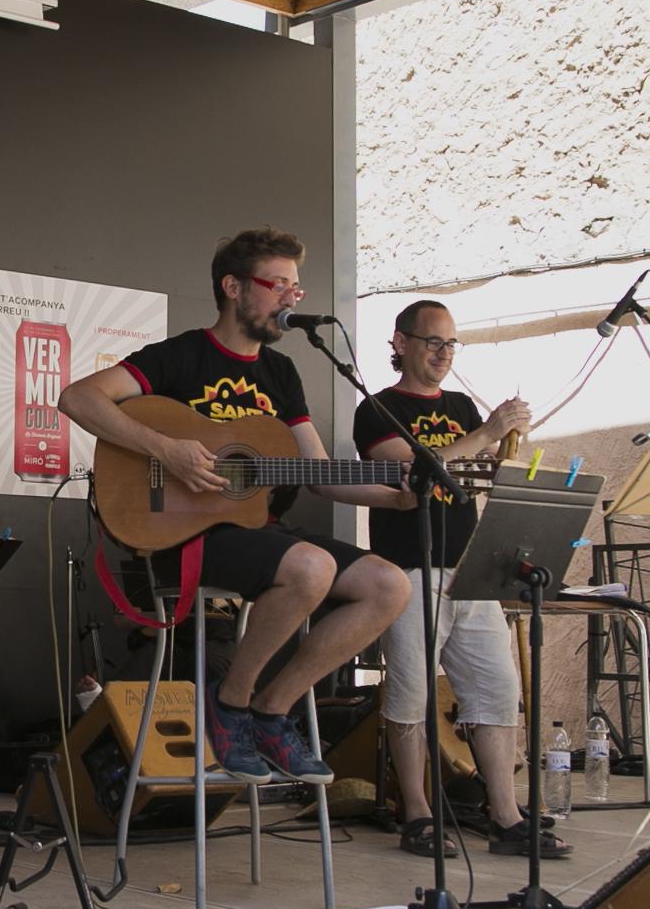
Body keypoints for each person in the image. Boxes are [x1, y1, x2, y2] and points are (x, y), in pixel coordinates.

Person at [59, 229, 411, 787]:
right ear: (233, 287)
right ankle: (232, 701)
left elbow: (318, 474)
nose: (293, 298)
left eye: (297, 287)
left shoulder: (282, 375)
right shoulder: (181, 355)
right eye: (280, 285)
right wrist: (167, 449)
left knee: (390, 586)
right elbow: (77, 397)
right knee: (309, 567)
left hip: (255, 532)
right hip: (183, 537)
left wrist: (397, 491)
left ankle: (272, 710)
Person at [356, 300, 568, 859]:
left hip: (471, 563)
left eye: (451, 344)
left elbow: (479, 473)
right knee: (411, 692)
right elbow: (412, 472)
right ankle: (417, 811)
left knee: (496, 691)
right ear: (400, 343)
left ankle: (506, 813)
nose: (443, 354)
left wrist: (507, 442)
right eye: (432, 342)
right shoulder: (378, 407)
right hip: (409, 565)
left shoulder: (459, 404)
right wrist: (485, 434)